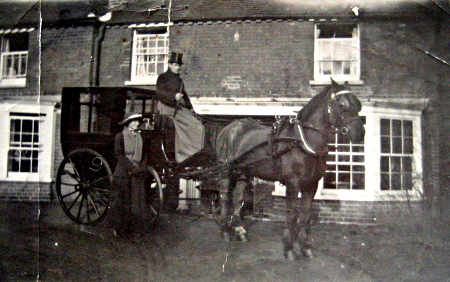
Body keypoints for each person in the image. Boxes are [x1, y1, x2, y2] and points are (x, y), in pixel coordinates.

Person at [156, 52, 206, 164]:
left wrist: (191, 108)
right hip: (167, 108)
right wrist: (174, 96)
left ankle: (194, 152)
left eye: (179, 65)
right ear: (169, 65)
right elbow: (160, 93)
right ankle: (183, 154)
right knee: (181, 127)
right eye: (175, 65)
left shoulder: (179, 80)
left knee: (197, 125)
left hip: (178, 108)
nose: (177, 67)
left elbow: (185, 95)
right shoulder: (162, 77)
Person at [107, 113, 150, 237]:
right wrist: (131, 167)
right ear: (128, 123)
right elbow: (119, 154)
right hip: (123, 172)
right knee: (121, 201)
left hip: (136, 173)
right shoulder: (120, 137)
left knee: (136, 202)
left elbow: (145, 155)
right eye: (134, 121)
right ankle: (119, 229)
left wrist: (140, 167)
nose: (137, 123)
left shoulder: (141, 137)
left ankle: (136, 228)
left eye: (138, 121)